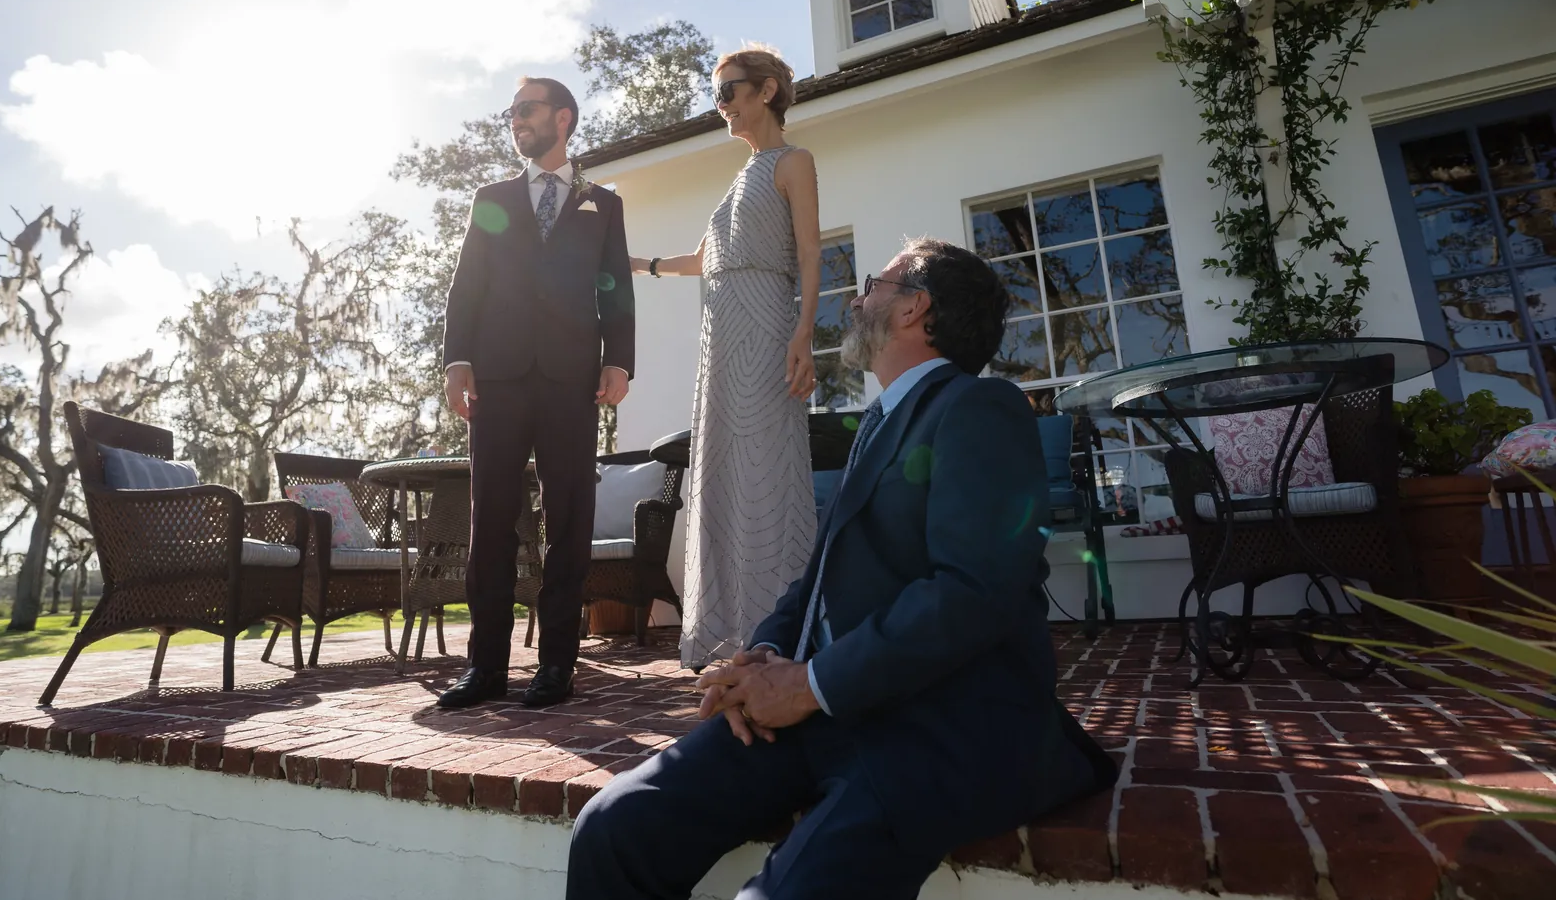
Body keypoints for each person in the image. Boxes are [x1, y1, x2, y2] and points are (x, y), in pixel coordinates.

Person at [567, 238, 1118, 900]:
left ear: (915, 308)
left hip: (930, 726)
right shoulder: (878, 424)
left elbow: (972, 590)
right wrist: (765, 656)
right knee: (611, 825)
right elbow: (816, 580)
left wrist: (813, 684)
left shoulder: (980, 407)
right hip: (816, 713)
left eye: (873, 287)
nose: (855, 301)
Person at [437, 76, 634, 710]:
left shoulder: (601, 204)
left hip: (571, 378)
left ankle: (556, 665)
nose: (516, 120)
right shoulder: (491, 198)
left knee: (570, 520)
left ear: (564, 118)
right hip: (496, 376)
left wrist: (620, 362)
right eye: (511, 113)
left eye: (527, 110)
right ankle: (486, 667)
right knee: (489, 518)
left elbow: (613, 291)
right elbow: (468, 284)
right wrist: (457, 359)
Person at [629, 45, 822, 670]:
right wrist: (642, 265)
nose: (721, 107)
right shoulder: (740, 176)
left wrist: (803, 333)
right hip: (722, 339)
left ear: (766, 92)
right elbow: (704, 257)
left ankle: (779, 632)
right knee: (726, 476)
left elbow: (812, 254)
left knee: (767, 472)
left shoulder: (794, 161)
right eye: (716, 96)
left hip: (766, 330)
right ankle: (736, 629)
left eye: (729, 92)